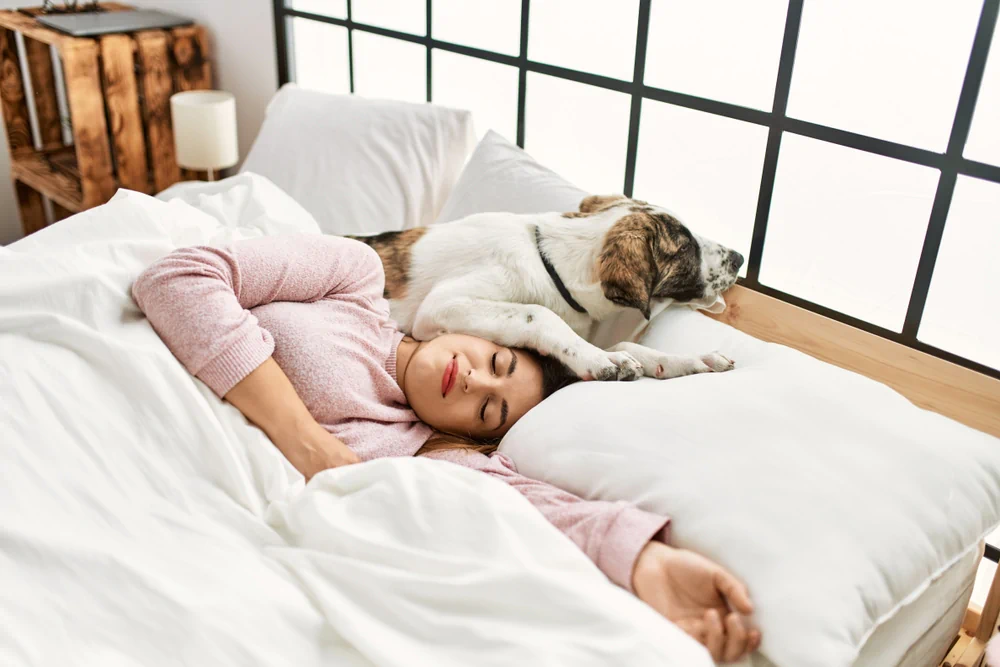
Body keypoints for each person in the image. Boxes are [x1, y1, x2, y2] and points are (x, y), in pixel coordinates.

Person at [132, 234, 761, 663]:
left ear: (477, 436)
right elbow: (178, 277)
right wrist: (309, 443)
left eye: (489, 408)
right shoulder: (355, 279)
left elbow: (532, 507)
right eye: (495, 359)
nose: (475, 379)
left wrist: (645, 563)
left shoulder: (416, 451)